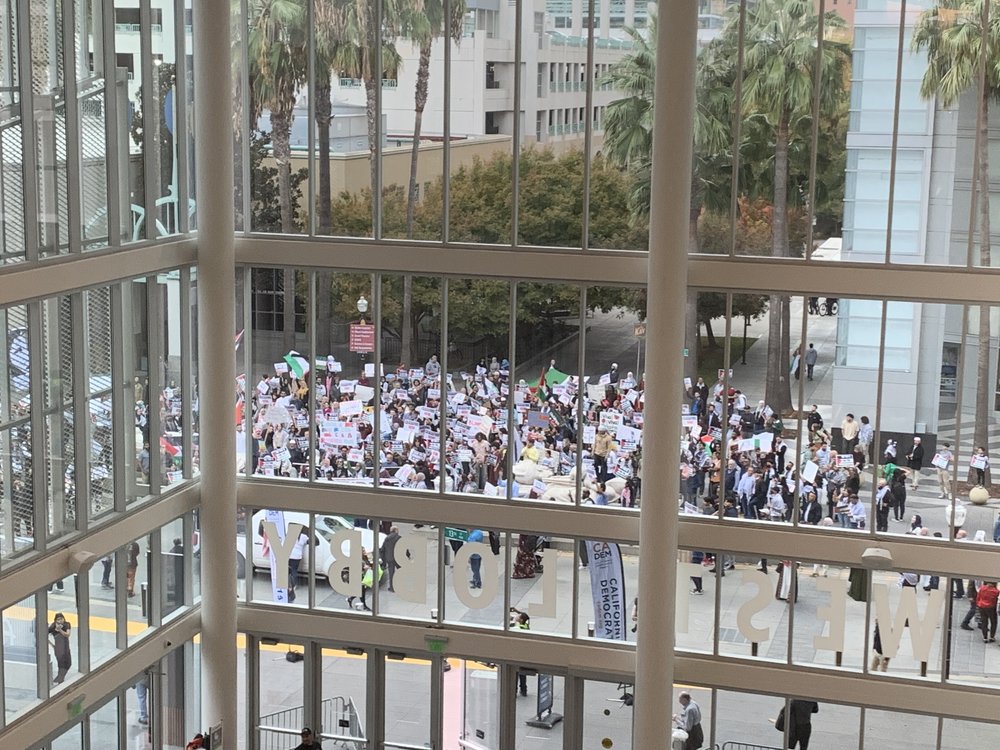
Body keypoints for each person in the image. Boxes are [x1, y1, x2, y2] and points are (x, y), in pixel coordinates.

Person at [287, 525, 310, 603]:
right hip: (297, 556)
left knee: (288, 571)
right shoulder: (303, 536)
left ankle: (289, 584)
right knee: (294, 570)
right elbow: (309, 541)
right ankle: (294, 584)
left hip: (289, 555)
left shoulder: (290, 535)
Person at [510, 607, 530, 696]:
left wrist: (513, 619)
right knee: (522, 674)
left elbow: (511, 625)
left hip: (517, 654)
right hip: (524, 654)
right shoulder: (526, 625)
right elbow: (524, 615)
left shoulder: (519, 627)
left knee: (515, 674)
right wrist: (516, 611)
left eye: (518, 616)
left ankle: (514, 691)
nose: (517, 616)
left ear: (521, 619)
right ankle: (524, 690)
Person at [48, 613, 72, 684]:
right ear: (55, 620)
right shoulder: (52, 626)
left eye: (61, 618)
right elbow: (44, 634)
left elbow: (67, 634)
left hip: (66, 647)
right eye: (58, 619)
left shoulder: (66, 624)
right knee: (61, 665)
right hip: (58, 648)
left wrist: (60, 630)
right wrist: (52, 645)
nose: (60, 620)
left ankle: (60, 677)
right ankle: (60, 680)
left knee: (68, 663)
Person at [380, 526, 402, 592]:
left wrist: (383, 561)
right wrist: (408, 555)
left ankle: (392, 588)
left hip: (389, 558)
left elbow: (382, 550)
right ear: (396, 530)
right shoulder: (399, 538)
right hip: (398, 558)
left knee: (391, 573)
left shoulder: (387, 538)